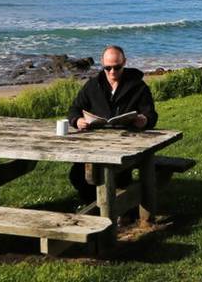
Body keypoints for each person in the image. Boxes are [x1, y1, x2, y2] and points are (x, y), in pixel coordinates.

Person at [66, 45, 158, 202]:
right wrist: (77, 120)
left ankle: (120, 210)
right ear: (102, 63)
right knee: (78, 175)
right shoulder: (92, 85)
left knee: (116, 175)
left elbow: (151, 115)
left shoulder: (138, 87)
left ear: (125, 63)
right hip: (95, 143)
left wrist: (144, 120)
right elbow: (74, 109)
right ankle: (93, 207)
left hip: (126, 144)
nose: (112, 72)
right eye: (107, 68)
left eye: (117, 67)